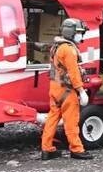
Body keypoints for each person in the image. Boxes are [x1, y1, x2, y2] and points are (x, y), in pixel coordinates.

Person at [40, 18, 94, 161]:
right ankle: (77, 149)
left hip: (55, 88)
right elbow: (73, 72)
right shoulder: (69, 49)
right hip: (67, 90)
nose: (80, 36)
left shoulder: (56, 46)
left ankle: (46, 148)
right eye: (79, 32)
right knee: (71, 120)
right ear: (71, 32)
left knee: (52, 119)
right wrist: (81, 91)